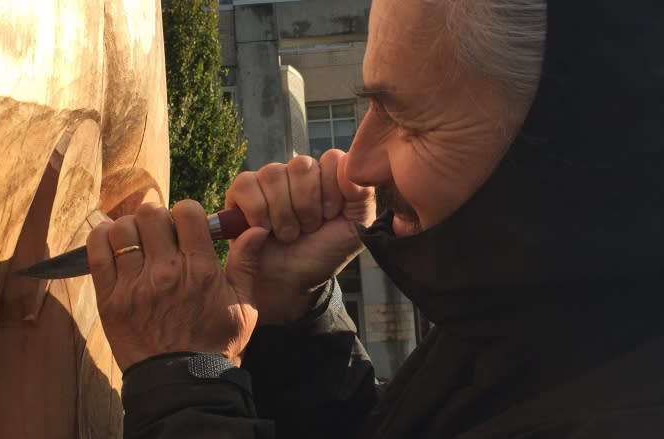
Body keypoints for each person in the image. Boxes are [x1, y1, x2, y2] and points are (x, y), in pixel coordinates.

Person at [86, 0, 664, 437]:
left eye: (410, 122)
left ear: (567, 142)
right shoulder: (539, 322)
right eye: (370, 109)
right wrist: (296, 317)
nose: (358, 166)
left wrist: (187, 384)